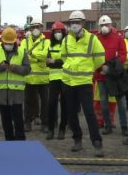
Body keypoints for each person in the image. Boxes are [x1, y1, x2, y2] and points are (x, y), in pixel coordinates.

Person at [61, 10, 105, 157]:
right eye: (72, 22)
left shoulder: (92, 39)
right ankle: (77, 140)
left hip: (84, 82)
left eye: (77, 22)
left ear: (83, 23)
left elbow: (100, 58)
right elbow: (64, 56)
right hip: (68, 81)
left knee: (89, 113)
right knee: (71, 113)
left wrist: (89, 69)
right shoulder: (66, 40)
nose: (75, 25)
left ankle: (97, 142)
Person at [0, 27, 31, 140]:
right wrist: (1, 67)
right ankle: (9, 140)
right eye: (6, 43)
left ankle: (20, 139)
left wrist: (15, 68)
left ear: (15, 41)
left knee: (18, 117)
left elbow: (27, 69)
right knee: (5, 119)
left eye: (10, 43)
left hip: (16, 91)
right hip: (1, 91)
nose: (8, 45)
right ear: (2, 41)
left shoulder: (22, 51)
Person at [94, 15, 127, 135]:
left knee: (121, 103)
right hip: (102, 76)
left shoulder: (118, 38)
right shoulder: (96, 39)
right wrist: (101, 68)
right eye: (102, 25)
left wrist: (112, 67)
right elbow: (93, 57)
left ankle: (124, 127)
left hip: (116, 77)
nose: (104, 27)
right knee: (103, 102)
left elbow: (123, 55)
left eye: (106, 25)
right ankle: (107, 125)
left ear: (111, 25)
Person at [20, 18, 50, 133]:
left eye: (38, 27)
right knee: (28, 102)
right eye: (33, 27)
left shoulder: (46, 42)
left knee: (45, 103)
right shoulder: (25, 42)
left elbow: (45, 55)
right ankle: (27, 123)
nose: (35, 29)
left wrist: (32, 54)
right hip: (29, 78)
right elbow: (23, 56)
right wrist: (38, 58)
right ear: (30, 28)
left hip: (43, 78)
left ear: (41, 28)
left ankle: (45, 123)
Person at [46, 21, 68, 140]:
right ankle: (50, 129)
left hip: (65, 78)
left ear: (63, 33)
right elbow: (47, 62)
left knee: (65, 104)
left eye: (60, 31)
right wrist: (57, 62)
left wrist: (55, 62)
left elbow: (67, 61)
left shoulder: (67, 44)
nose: (58, 34)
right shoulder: (50, 45)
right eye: (56, 32)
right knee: (52, 104)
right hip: (53, 78)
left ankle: (62, 129)